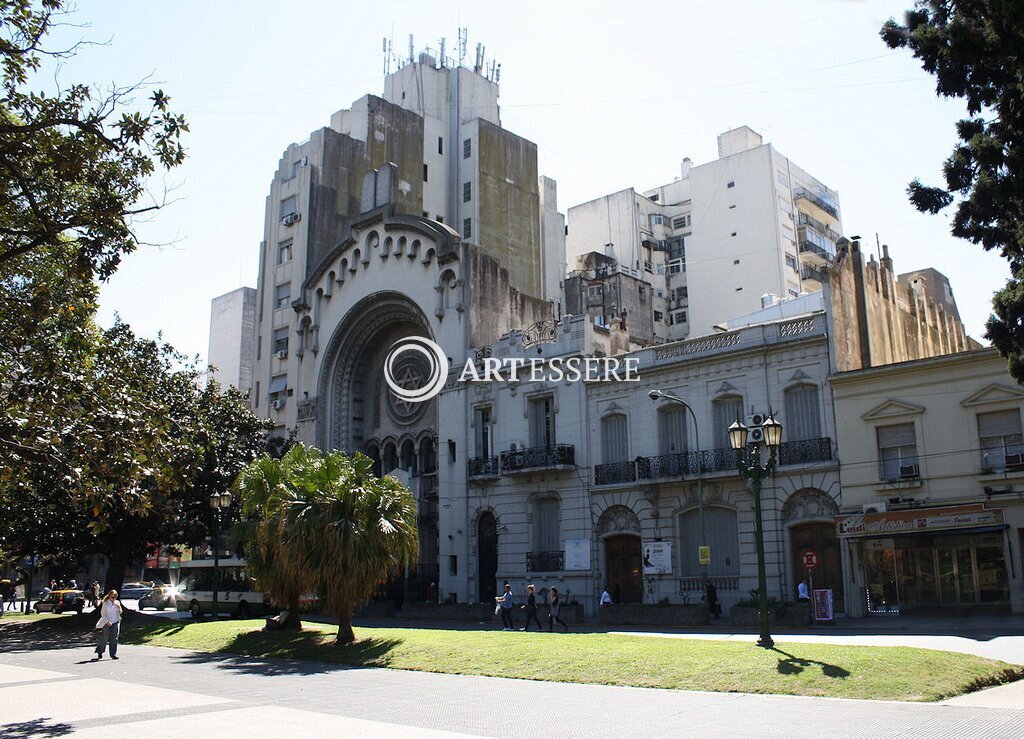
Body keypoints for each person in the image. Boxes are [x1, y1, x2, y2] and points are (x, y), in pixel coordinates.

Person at [94, 590, 123, 660]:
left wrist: (119, 608)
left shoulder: (117, 602)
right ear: (109, 596)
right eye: (112, 597)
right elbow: (103, 614)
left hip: (115, 621)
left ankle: (113, 654)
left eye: (115, 597)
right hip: (107, 622)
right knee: (105, 638)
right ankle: (100, 651)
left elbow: (120, 612)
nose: (113, 598)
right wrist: (107, 621)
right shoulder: (106, 603)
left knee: (114, 638)